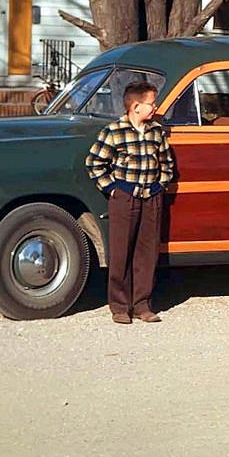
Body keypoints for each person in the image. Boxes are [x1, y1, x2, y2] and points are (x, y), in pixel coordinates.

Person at [85, 80, 175, 324]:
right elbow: (94, 162)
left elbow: (167, 163)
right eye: (150, 103)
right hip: (125, 198)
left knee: (147, 253)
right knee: (121, 251)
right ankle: (119, 306)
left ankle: (142, 304)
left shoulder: (156, 131)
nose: (154, 107)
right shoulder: (114, 131)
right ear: (135, 106)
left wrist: (161, 185)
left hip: (151, 197)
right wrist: (112, 189)